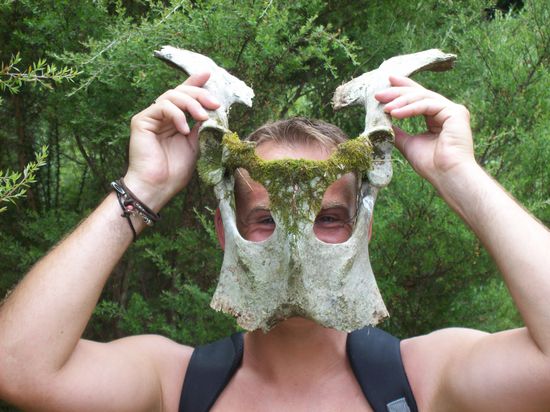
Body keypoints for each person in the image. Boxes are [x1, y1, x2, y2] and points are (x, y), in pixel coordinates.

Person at [0, 71, 549, 412]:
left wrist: (457, 173)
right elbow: (18, 366)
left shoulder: (423, 380)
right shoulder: (174, 386)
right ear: (226, 233)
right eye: (266, 220)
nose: (295, 249)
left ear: (363, 231)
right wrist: (146, 186)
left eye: (328, 218)